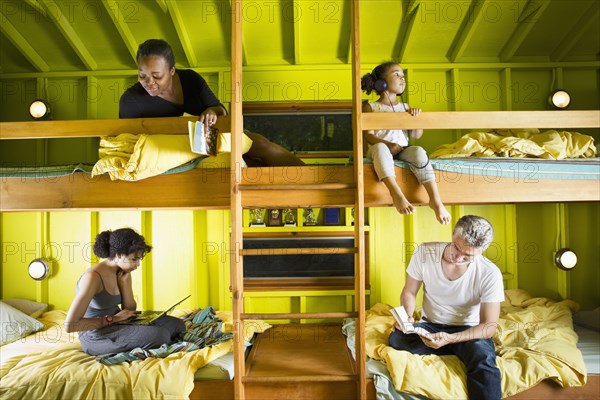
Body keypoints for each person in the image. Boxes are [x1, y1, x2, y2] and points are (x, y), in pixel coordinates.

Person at [120, 38, 304, 167]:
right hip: (170, 150)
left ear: (172, 71)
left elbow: (221, 110)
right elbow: (125, 142)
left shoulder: (191, 79)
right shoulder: (130, 100)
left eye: (157, 76)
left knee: (260, 145)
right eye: (142, 76)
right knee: (251, 163)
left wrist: (212, 111)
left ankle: (308, 174)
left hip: (210, 139)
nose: (149, 83)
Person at [389, 215, 504, 400]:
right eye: (457, 247)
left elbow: (489, 326)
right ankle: (451, 348)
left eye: (468, 256)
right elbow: (409, 292)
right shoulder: (425, 252)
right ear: (452, 234)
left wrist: (451, 339)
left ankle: (453, 347)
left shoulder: (490, 273)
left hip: (468, 330)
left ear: (481, 252)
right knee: (396, 339)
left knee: (483, 359)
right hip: (430, 325)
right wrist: (408, 317)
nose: (458, 257)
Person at [65, 228, 185, 356]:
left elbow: (129, 309)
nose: (138, 264)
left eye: (139, 259)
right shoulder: (92, 278)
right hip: (96, 334)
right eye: (134, 259)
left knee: (178, 325)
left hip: (120, 323)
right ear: (118, 255)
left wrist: (124, 284)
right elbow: (71, 325)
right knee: (161, 335)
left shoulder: (123, 271)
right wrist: (114, 318)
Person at [361, 62, 450, 224]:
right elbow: (368, 136)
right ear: (382, 82)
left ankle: (435, 200)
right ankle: (397, 194)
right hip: (379, 150)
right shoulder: (371, 107)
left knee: (418, 151)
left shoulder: (405, 107)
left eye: (403, 75)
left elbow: (416, 134)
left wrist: (415, 117)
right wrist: (387, 145)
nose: (403, 78)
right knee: (380, 147)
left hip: (403, 150)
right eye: (397, 74)